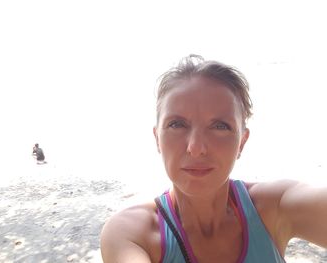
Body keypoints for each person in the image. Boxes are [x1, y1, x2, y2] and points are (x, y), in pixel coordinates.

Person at [100, 55, 327, 262]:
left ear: (242, 142)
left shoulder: (274, 207)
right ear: (157, 138)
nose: (196, 148)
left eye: (220, 126)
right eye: (177, 124)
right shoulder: (131, 233)